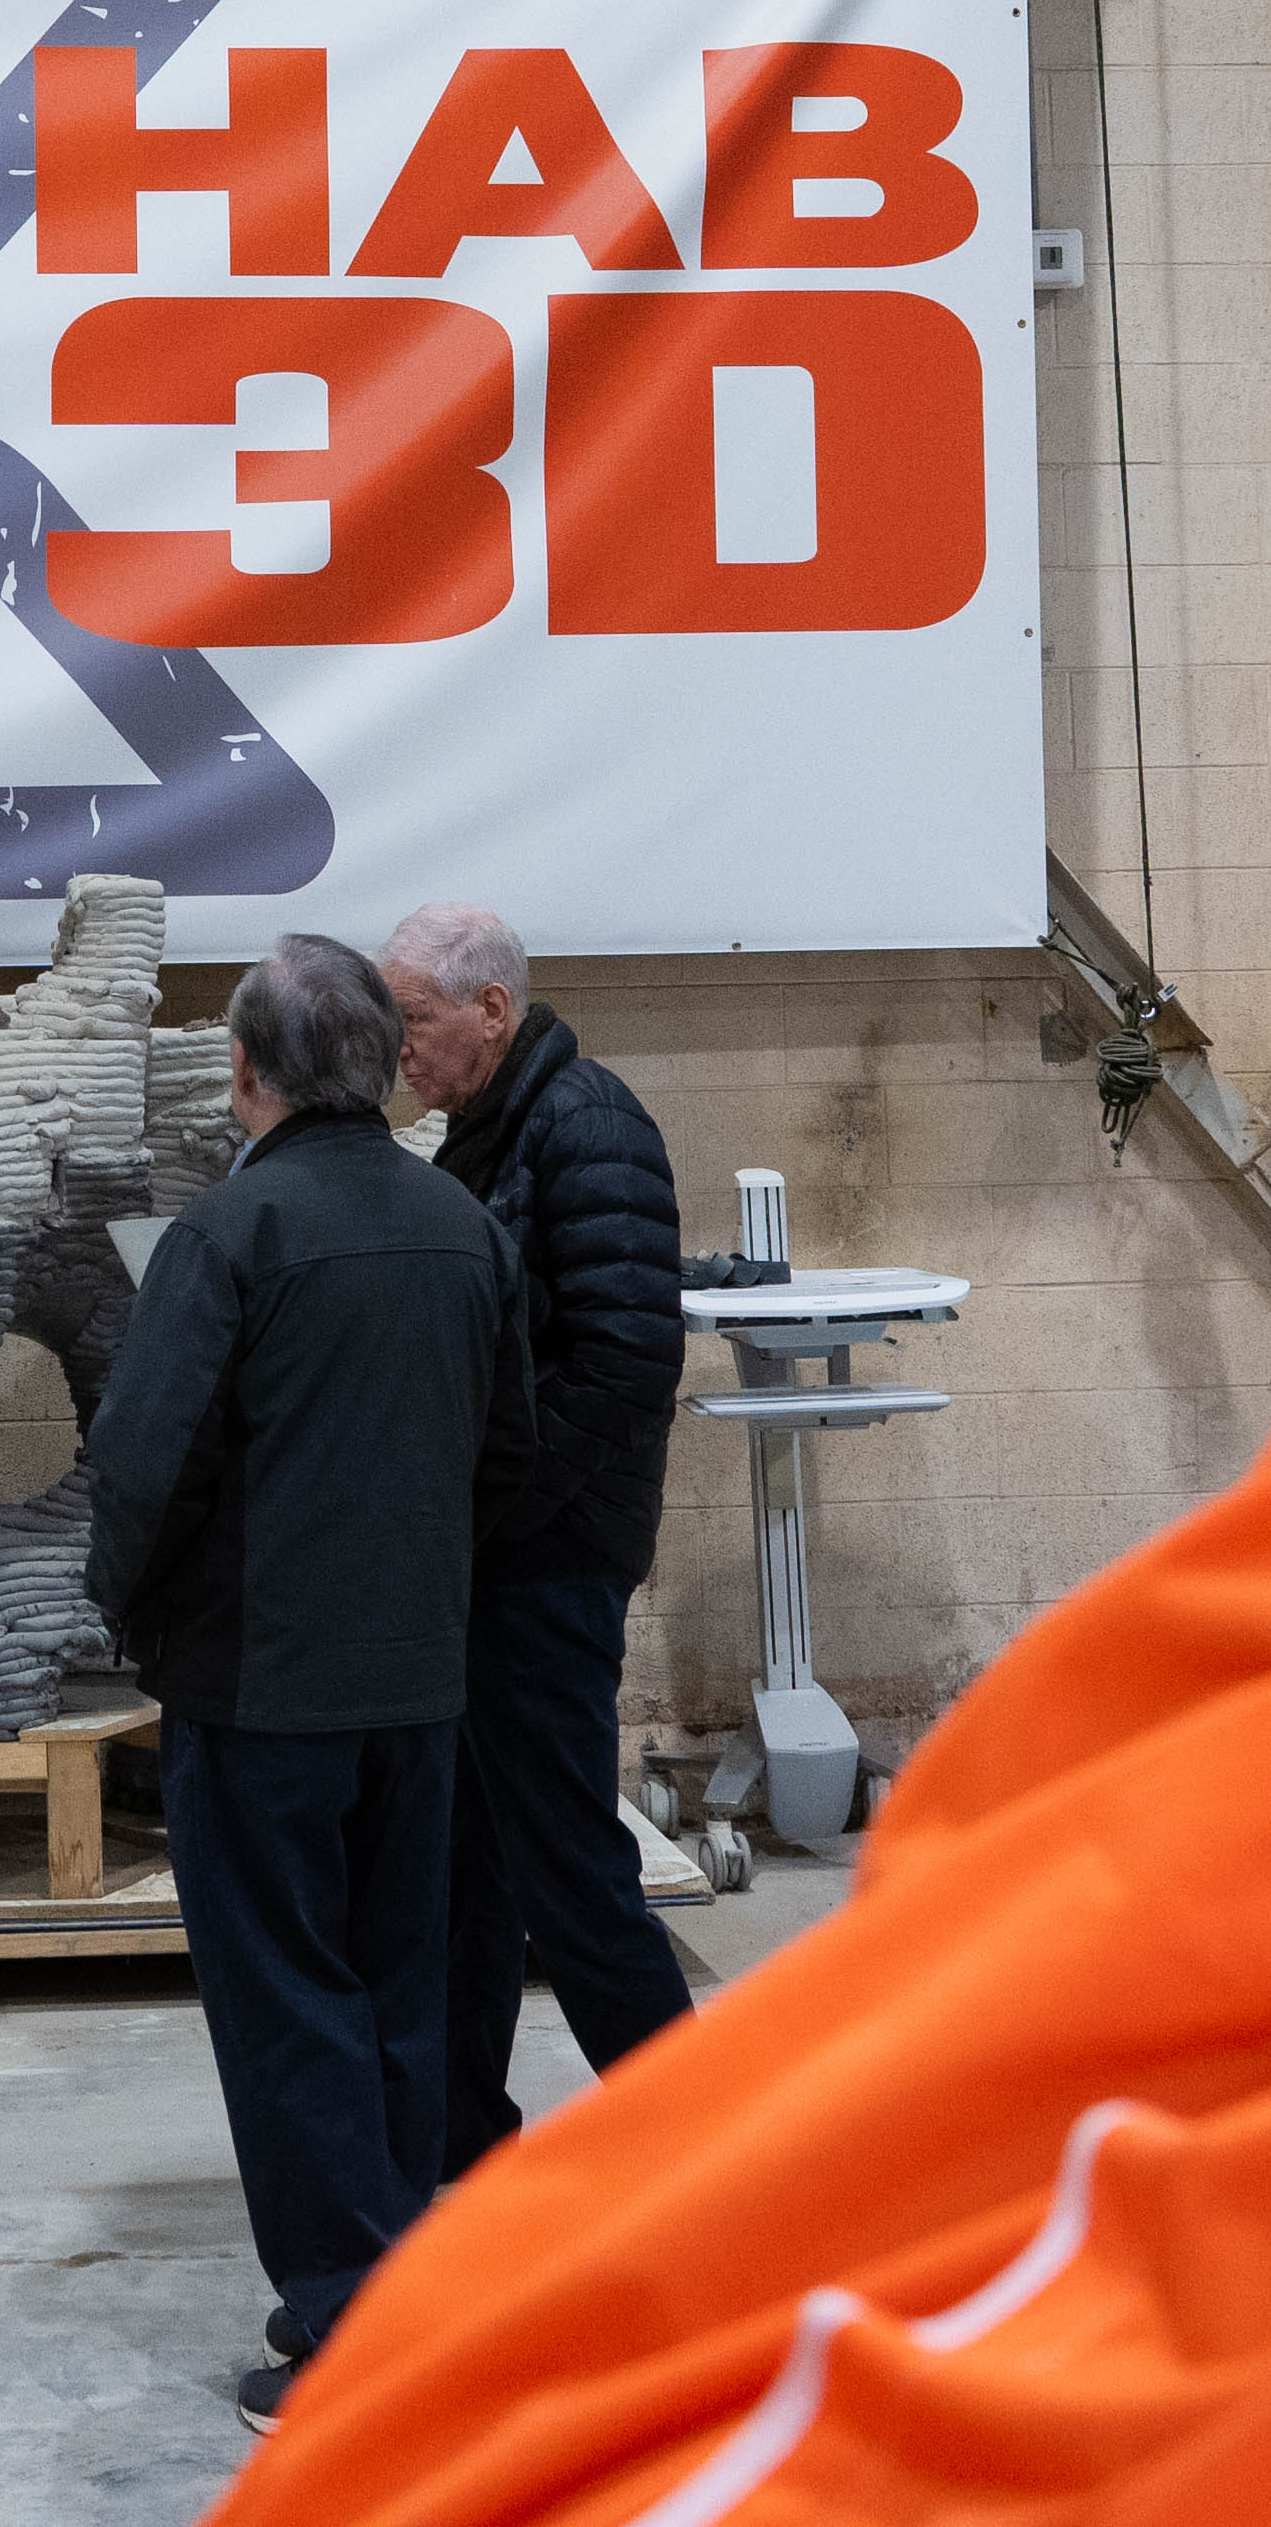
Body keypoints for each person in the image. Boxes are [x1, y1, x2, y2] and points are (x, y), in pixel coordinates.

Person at [86, 934, 531, 2435]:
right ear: (387, 1065)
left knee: (288, 2004)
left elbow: (142, 1469)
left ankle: (346, 2334)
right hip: (421, 1684)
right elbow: (506, 1450)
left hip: (264, 1690)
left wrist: (130, 1618)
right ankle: (410, 2296)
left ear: (243, 1075)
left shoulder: (229, 1238)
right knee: (404, 1981)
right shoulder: (463, 1229)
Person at [381, 904, 700, 2179]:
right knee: (465, 1876)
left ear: (491, 1011)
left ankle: (702, 2152)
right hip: (495, 1561)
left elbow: (627, 1365)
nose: (398, 1045)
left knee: (566, 1871)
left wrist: (493, 1505)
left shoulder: (588, 1122)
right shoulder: (480, 1135)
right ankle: (462, 2155)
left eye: (413, 1018)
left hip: (548, 1564)